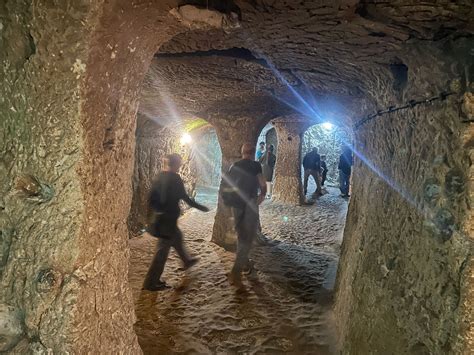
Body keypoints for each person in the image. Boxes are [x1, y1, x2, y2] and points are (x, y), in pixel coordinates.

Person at [143, 153, 209, 291]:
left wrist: (153, 213)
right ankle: (150, 283)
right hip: (167, 221)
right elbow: (185, 197)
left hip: (162, 220)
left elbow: (150, 198)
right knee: (162, 252)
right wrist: (200, 207)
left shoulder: (159, 176)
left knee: (177, 237)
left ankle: (187, 260)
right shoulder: (175, 178)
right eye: (180, 163)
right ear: (175, 164)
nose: (181, 165)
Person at [227, 143, 267, 287]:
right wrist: (262, 195)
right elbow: (262, 183)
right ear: (253, 152)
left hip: (236, 204)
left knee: (241, 235)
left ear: (242, 152)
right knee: (247, 238)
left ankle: (246, 265)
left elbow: (227, 185)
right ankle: (236, 272)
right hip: (250, 203)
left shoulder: (234, 166)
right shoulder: (256, 166)